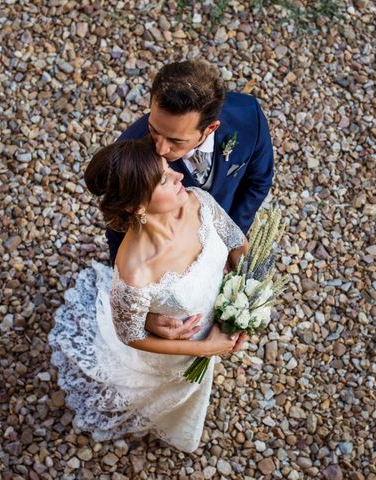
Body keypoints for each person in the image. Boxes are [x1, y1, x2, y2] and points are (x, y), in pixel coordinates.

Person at [49, 137, 248, 452]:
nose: (180, 176)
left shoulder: (199, 201)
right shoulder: (135, 271)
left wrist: (246, 302)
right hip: (183, 349)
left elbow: (238, 244)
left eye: (169, 168)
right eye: (164, 179)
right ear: (137, 206)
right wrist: (205, 348)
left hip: (218, 315)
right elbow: (131, 336)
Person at [107, 60, 274, 343]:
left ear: (210, 129)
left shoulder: (249, 117)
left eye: (175, 140)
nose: (159, 148)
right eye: (154, 129)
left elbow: (257, 182)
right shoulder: (131, 152)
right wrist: (142, 313)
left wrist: (227, 246)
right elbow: (117, 228)